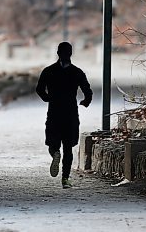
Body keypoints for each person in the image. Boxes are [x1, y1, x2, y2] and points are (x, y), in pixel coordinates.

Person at [36, 42, 93, 189]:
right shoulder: (77, 72)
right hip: (70, 114)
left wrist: (48, 98)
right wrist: (86, 101)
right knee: (68, 148)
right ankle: (65, 178)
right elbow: (87, 90)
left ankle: (55, 153)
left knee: (52, 143)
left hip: (54, 112)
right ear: (71, 54)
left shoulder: (48, 71)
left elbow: (39, 89)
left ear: (58, 53)